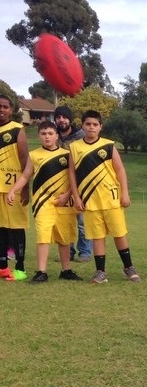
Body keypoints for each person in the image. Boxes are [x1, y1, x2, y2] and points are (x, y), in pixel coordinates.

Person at [69, 110, 141, 284]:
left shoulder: (109, 145)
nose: (91, 127)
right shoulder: (74, 147)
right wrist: (76, 197)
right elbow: (71, 173)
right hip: (90, 201)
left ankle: (128, 267)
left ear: (100, 127)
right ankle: (100, 272)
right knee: (97, 236)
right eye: (88, 124)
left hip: (111, 199)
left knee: (119, 234)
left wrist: (125, 192)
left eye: (95, 124)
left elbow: (120, 170)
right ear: (83, 126)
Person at [6, 119, 82, 283]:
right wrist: (13, 190)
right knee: (43, 235)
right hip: (42, 203)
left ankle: (66, 270)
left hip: (63, 203)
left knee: (64, 237)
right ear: (39, 136)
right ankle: (41, 271)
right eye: (43, 134)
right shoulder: (34, 155)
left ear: (56, 136)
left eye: (50, 134)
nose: (47, 137)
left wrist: (68, 195)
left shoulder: (66, 155)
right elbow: (26, 175)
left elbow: (74, 178)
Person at [54, 105, 93, 263]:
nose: (62, 120)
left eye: (64, 117)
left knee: (82, 221)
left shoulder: (80, 136)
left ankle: (85, 252)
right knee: (65, 221)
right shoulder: (54, 136)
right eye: (58, 117)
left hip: (80, 183)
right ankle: (67, 251)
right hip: (61, 184)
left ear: (70, 119)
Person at [0, 93, 29, 281]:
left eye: (5, 107)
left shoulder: (17, 129)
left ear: (11, 110)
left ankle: (20, 268)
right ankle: (2, 266)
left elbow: (25, 159)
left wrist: (26, 188)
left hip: (14, 187)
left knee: (17, 227)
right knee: (0, 227)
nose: (1, 110)